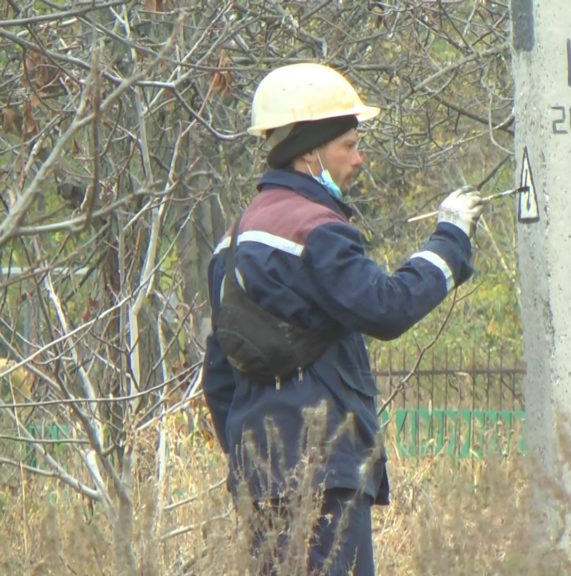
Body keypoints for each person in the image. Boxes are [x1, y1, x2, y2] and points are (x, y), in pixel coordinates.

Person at [200, 62, 482, 575]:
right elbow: (388, 308)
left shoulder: (230, 243)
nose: (358, 159)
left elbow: (219, 375)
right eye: (348, 145)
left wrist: (255, 460)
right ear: (310, 153)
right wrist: (451, 241)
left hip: (260, 478)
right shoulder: (318, 230)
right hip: (326, 473)